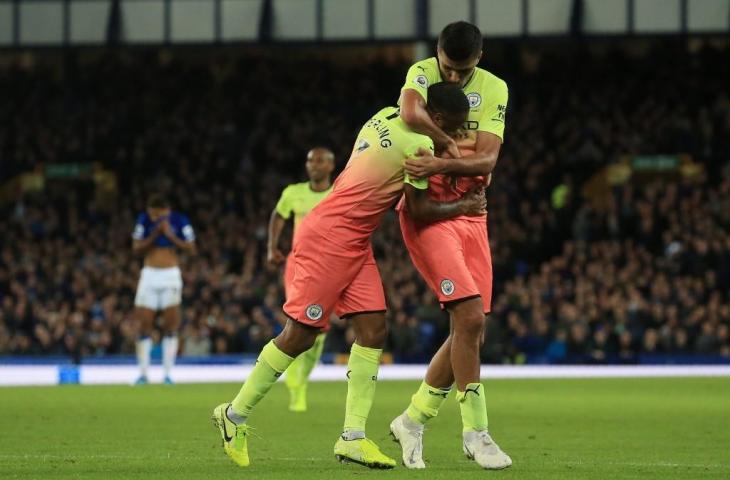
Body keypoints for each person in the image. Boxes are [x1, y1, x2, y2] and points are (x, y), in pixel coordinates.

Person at [212, 82, 483, 469]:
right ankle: (233, 415)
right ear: (436, 119)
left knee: (374, 330)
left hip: (352, 238)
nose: (454, 135)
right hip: (331, 238)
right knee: (301, 334)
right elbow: (419, 211)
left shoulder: (383, 116)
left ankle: (352, 438)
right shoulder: (419, 147)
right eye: (453, 127)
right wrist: (465, 205)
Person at [388, 21, 512, 470]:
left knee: (471, 327)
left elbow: (489, 157)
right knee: (469, 315)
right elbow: (407, 113)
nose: (452, 78)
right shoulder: (422, 71)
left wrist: (443, 158)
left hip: (473, 212)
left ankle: (413, 419)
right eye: (446, 67)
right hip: (430, 212)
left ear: (477, 60)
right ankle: (476, 434)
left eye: (461, 71)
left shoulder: (495, 88)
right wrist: (453, 148)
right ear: (436, 53)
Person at [267, 147, 335, 412]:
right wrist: (272, 247)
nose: (313, 165)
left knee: (320, 329)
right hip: (299, 263)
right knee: (300, 321)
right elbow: (278, 216)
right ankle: (297, 385)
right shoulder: (293, 192)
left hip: (331, 264)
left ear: (331, 166)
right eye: (310, 161)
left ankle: (301, 379)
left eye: (319, 161)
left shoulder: (338, 192)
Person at [131, 194, 196, 384]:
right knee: (144, 326)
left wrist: (170, 235)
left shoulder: (179, 221)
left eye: (155, 214)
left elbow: (192, 249)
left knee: (171, 326)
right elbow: (136, 248)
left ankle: (167, 374)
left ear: (165, 211)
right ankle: (143, 374)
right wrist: (154, 234)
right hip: (149, 274)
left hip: (170, 276)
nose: (153, 217)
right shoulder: (143, 220)